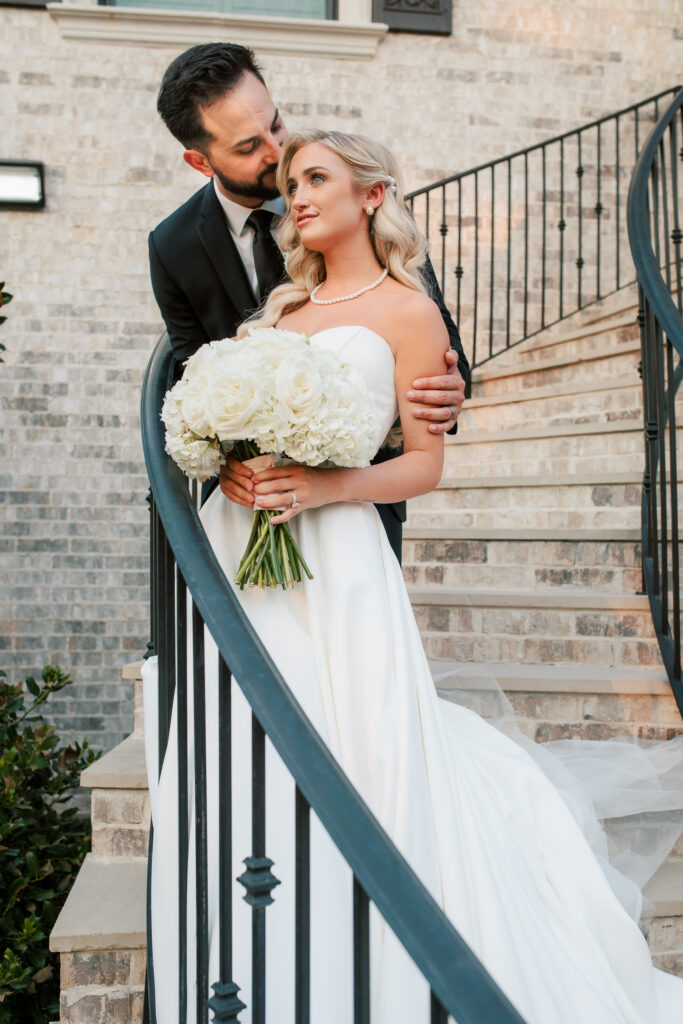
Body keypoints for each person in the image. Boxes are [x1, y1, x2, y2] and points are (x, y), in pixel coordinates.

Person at [144, 129, 683, 1024]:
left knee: (353, 750)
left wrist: (324, 487)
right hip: (242, 551)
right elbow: (227, 422)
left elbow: (423, 465)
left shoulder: (409, 310)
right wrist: (232, 467)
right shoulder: (276, 312)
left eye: (315, 178)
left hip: (338, 560)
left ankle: (375, 966)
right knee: (248, 747)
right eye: (288, 182)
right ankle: (251, 950)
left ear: (371, 193)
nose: (297, 195)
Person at [148, 42, 469, 562]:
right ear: (199, 160)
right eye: (249, 146)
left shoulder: (350, 186)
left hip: (355, 511)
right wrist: (224, 458)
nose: (277, 155)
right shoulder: (172, 246)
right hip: (247, 510)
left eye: (276, 125)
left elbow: (440, 348)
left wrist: (444, 388)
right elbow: (192, 374)